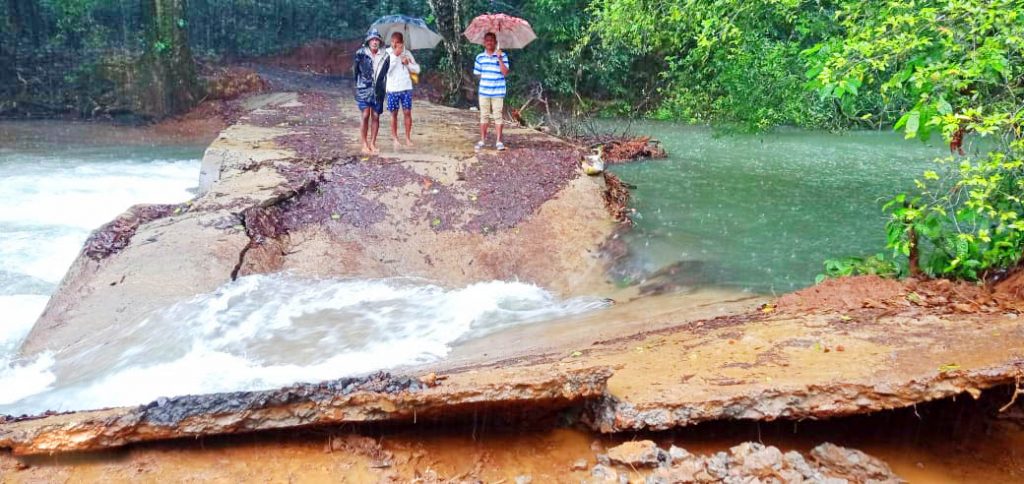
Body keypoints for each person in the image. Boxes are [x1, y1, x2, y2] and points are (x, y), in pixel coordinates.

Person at [353, 29, 389, 154]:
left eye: (377, 40)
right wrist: (358, 85)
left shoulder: (385, 56)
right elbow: (356, 71)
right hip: (364, 88)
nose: (374, 42)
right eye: (372, 40)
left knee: (375, 115)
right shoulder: (360, 53)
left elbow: (384, 74)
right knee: (365, 115)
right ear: (368, 41)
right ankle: (364, 144)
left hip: (378, 90)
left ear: (380, 42)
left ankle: (372, 143)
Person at [473, 32, 510, 151]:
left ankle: (499, 141)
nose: (489, 42)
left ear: (495, 42)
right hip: (484, 91)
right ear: (484, 42)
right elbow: (478, 74)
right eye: (487, 40)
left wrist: (499, 59)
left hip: (498, 91)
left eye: (491, 40)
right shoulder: (479, 57)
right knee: (484, 116)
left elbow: (505, 73)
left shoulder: (502, 55)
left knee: (498, 116)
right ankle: (482, 140)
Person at [385, 31, 420, 148]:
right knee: (393, 114)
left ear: (402, 43)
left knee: (407, 112)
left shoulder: (407, 53)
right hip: (392, 88)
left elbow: (417, 69)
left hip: (406, 87)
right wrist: (395, 56)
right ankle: (395, 138)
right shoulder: (387, 53)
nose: (394, 45)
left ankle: (408, 138)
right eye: (392, 42)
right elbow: (386, 71)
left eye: (397, 42)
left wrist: (408, 64)